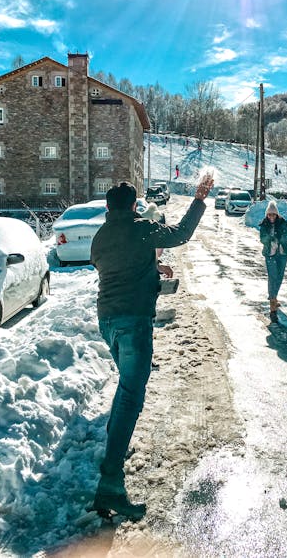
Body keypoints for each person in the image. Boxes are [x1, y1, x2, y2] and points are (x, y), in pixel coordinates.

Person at [90, 175, 213, 519]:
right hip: (133, 321)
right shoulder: (141, 226)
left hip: (108, 321)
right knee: (130, 397)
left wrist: (151, 267)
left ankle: (111, 468)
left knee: (125, 391)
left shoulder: (101, 237)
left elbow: (112, 266)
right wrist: (200, 199)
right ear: (132, 206)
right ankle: (110, 483)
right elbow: (180, 234)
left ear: (106, 208)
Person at [259, 200, 287, 323]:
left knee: (279, 277)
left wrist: (281, 238)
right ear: (267, 215)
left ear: (277, 215)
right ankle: (272, 303)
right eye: (269, 214)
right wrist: (270, 238)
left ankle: (274, 297)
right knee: (272, 277)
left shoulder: (282, 223)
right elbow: (262, 239)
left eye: (273, 214)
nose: (271, 217)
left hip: (282, 254)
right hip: (270, 254)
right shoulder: (264, 224)